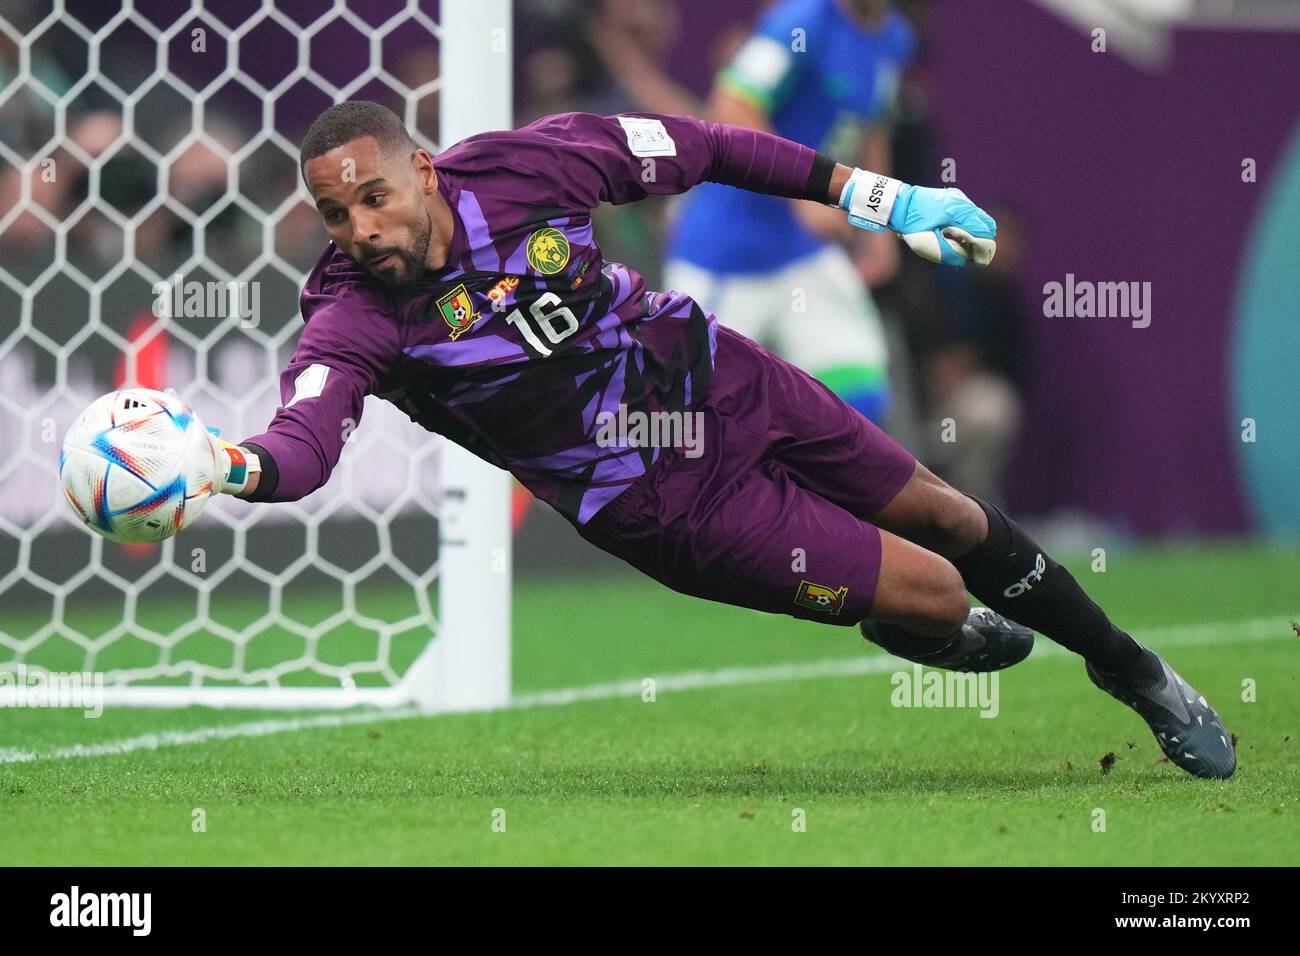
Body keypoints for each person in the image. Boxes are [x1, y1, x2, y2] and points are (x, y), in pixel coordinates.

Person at [204, 101, 1234, 779]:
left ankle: (1131, 668)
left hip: (715, 375)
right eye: (336, 216)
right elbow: (303, 443)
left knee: (949, 513)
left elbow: (711, 146)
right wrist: (225, 465)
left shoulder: (534, 164)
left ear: (421, 171)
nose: (361, 230)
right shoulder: (352, 316)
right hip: (659, 504)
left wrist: (879, 198)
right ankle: (917, 621)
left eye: (373, 197)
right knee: (934, 594)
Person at [662, 0, 916, 425]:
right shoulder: (800, 23)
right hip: (725, 260)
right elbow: (732, 105)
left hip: (803, 254)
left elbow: (871, 127)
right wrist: (802, 194)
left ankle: (811, 490)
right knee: (695, 424)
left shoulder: (893, 37)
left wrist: (881, 219)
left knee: (860, 398)